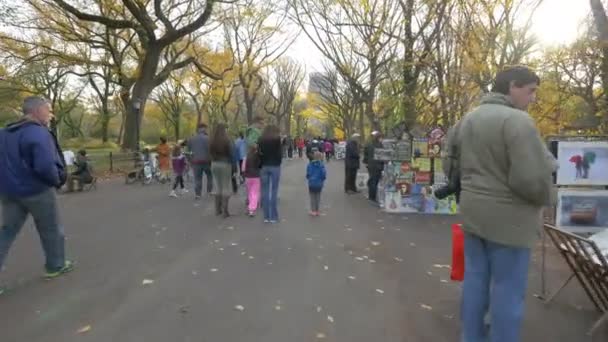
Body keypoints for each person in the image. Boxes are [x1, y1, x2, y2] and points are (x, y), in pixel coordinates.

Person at [444, 66, 555, 342]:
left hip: (472, 215)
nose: (532, 99)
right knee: (507, 291)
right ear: (513, 86)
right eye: (530, 91)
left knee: (475, 283)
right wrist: (548, 199)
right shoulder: (518, 122)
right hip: (510, 223)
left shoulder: (467, 120)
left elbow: (450, 165)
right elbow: (530, 179)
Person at [0, 96, 74, 295]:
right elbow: (44, 166)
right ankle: (55, 265)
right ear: (36, 111)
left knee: (6, 233)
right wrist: (56, 180)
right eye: (48, 110)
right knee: (50, 229)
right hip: (37, 191)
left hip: (9, 192)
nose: (51, 115)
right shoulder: (39, 133)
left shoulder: (4, 133)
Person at [209, 124, 236, 218]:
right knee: (225, 187)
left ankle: (217, 209)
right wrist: (234, 167)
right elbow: (232, 154)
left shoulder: (211, 140)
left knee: (217, 186)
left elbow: (209, 153)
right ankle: (225, 211)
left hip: (214, 164)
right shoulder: (227, 140)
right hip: (225, 164)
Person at [259, 125, 283, 223]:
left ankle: (266, 216)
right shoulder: (277, 140)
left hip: (264, 166)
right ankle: (273, 216)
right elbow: (280, 154)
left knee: (264, 191)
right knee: (273, 191)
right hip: (275, 166)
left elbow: (260, 153)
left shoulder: (261, 140)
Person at [188, 123, 212, 200]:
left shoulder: (191, 139)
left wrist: (190, 160)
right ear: (203, 128)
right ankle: (209, 191)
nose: (205, 130)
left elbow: (188, 151)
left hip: (195, 162)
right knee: (209, 176)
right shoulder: (208, 138)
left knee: (197, 178)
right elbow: (210, 150)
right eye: (205, 128)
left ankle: (198, 194)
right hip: (206, 161)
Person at [363, 131, 384, 202]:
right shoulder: (380, 145)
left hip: (370, 165)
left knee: (372, 180)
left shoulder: (369, 144)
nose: (382, 139)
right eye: (381, 138)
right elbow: (382, 157)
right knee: (375, 181)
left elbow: (365, 154)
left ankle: (371, 195)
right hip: (378, 166)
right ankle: (372, 197)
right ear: (379, 138)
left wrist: (366, 162)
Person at [306, 151, 327, 216]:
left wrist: (309, 178)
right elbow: (323, 175)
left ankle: (313, 211)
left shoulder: (309, 165)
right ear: (320, 157)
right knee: (318, 197)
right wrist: (322, 179)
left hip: (311, 184)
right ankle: (317, 210)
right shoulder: (322, 165)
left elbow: (308, 174)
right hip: (319, 184)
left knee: (312, 197)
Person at [243, 145, 262, 217]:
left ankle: (250, 206)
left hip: (248, 177)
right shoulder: (257, 157)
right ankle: (251, 209)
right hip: (256, 176)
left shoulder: (246, 157)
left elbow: (243, 168)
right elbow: (260, 166)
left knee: (250, 192)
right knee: (255, 193)